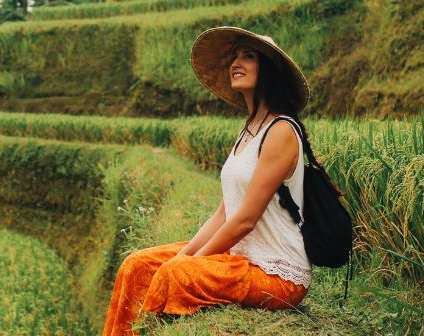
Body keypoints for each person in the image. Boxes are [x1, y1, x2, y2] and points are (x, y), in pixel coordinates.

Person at [102, 26, 313, 336]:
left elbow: (244, 221)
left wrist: (188, 263)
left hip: (276, 275)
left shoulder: (280, 131)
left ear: (269, 70)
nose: (235, 63)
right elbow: (224, 213)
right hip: (239, 260)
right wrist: (181, 257)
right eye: (234, 57)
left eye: (249, 56)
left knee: (174, 273)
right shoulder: (248, 131)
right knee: (137, 265)